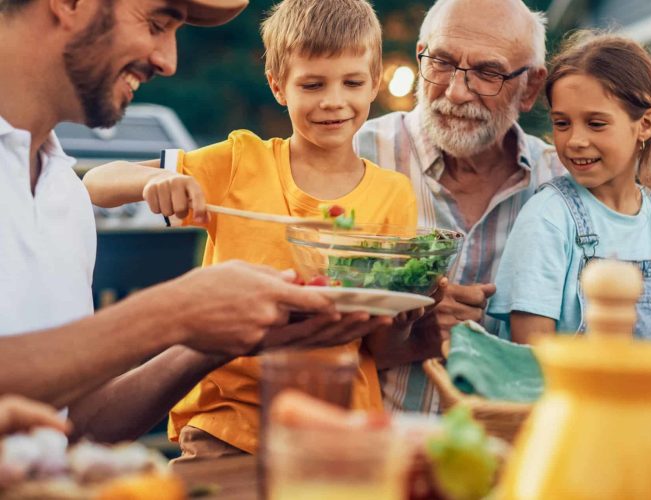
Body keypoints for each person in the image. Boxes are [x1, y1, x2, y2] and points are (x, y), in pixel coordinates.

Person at [0, 0, 378, 444]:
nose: (168, 61)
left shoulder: (62, 194)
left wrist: (210, 339)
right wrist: (175, 310)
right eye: (157, 23)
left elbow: (74, 424)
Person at [83, 0, 417, 458]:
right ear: (279, 87)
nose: (334, 101)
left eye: (353, 83)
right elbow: (95, 183)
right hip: (228, 423)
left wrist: (414, 309)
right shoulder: (240, 161)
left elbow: (381, 341)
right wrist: (154, 180)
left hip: (339, 426)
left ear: (374, 83)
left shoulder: (394, 194)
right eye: (313, 84)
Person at [354, 0, 564, 412]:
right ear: (420, 57)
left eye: (488, 73)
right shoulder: (354, 157)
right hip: (369, 450)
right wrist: (408, 325)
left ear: (531, 87)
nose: (456, 91)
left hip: (508, 455)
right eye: (442, 63)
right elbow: (294, 335)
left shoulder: (561, 186)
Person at [489, 32, 651, 343]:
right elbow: (531, 361)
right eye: (562, 123)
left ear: (645, 124)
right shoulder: (547, 220)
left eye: (596, 123)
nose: (575, 141)